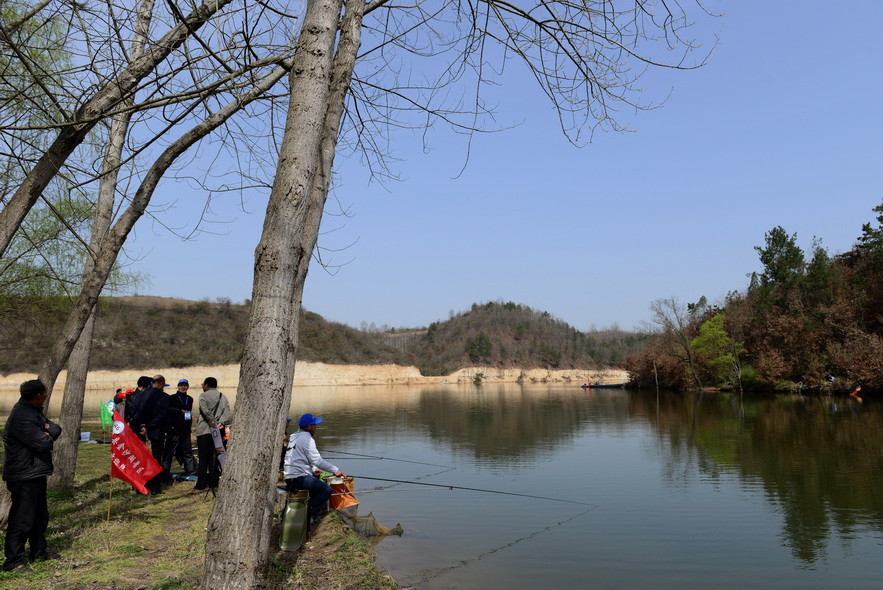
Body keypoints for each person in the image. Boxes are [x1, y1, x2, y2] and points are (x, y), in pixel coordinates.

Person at [2, 379, 62, 572]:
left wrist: (49, 430)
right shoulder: (22, 416)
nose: (46, 394)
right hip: (23, 474)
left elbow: (54, 427)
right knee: (22, 518)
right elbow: (41, 443)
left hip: (35, 472)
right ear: (38, 395)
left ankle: (39, 552)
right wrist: (48, 433)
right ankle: (13, 561)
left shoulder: (32, 411)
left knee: (39, 515)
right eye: (45, 392)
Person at [283, 414, 343, 522]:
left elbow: (300, 458)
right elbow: (317, 461)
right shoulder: (307, 439)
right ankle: (309, 516)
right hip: (299, 478)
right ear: (308, 426)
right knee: (326, 490)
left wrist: (314, 470)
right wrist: (335, 470)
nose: (316, 427)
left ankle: (301, 511)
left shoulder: (293, 436)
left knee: (316, 482)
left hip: (289, 477)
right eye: (314, 424)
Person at [128, 374, 170, 494]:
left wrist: (139, 425)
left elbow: (135, 411)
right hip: (155, 430)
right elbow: (162, 415)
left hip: (139, 429)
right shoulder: (164, 397)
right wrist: (149, 425)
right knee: (156, 459)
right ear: (162, 383)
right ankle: (155, 488)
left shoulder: (140, 394)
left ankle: (139, 486)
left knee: (140, 458)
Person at [194, 377, 231, 490]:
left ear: (206, 385)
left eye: (203, 384)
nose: (202, 386)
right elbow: (227, 412)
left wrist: (211, 420)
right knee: (215, 456)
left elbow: (204, 410)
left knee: (203, 458)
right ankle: (214, 481)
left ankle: (201, 483)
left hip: (204, 430)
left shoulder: (203, 396)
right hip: (218, 430)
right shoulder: (223, 397)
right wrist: (220, 423)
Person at [162, 379, 196, 476]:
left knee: (187, 451)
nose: (183, 387)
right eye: (181, 385)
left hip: (185, 430)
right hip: (174, 429)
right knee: (169, 452)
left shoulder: (190, 399)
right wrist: (179, 411)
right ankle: (165, 472)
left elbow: (188, 413)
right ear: (178, 386)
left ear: (188, 387)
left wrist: (190, 427)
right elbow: (167, 409)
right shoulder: (171, 398)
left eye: (185, 385)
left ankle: (191, 471)